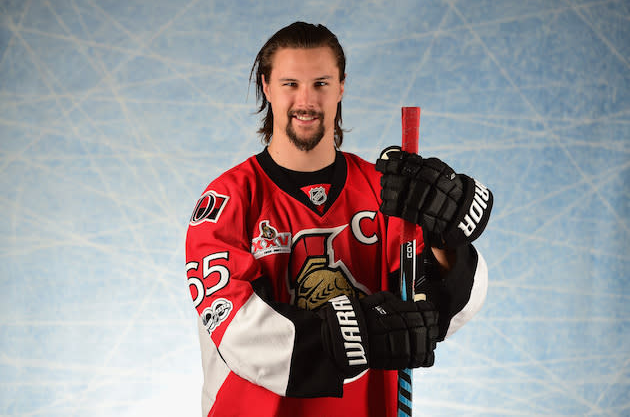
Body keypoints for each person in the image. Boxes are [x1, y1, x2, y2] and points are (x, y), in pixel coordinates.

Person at [185, 21, 493, 417]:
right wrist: (362, 334)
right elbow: (241, 332)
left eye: (321, 83)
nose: (306, 100)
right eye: (290, 83)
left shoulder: (386, 190)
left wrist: (446, 239)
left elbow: (432, 315)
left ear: (342, 86)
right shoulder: (227, 201)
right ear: (266, 86)